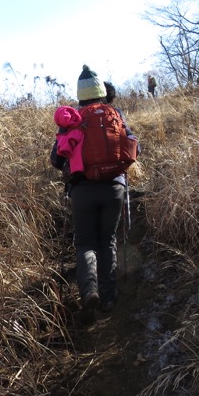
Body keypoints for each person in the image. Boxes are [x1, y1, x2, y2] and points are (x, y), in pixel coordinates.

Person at [50, 66, 138, 321]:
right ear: (101, 92)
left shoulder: (73, 119)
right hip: (114, 187)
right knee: (107, 240)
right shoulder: (115, 113)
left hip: (82, 190)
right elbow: (134, 147)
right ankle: (109, 299)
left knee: (86, 242)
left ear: (80, 94)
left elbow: (57, 158)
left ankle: (89, 291)